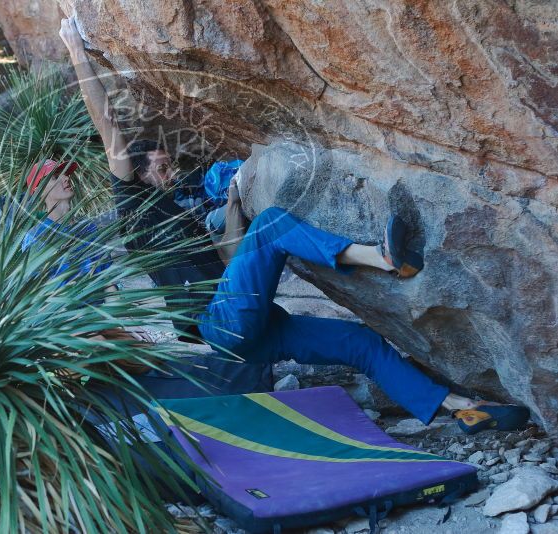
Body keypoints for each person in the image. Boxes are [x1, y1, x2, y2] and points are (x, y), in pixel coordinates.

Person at [59, 17, 530, 434]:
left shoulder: (177, 211)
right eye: (159, 168)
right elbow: (108, 126)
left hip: (252, 327)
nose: (169, 173)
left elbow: (229, 257)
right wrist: (76, 49)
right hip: (219, 328)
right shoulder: (135, 207)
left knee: (358, 341)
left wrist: (232, 204)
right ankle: (382, 258)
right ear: (134, 175)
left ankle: (461, 407)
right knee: (272, 226)